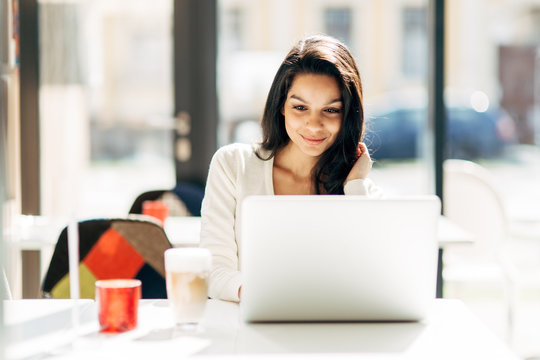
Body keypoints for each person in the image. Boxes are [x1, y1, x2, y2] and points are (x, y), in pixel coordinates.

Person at [200, 34, 381, 302]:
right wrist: (268, 296)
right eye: (300, 107)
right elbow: (214, 271)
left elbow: (375, 277)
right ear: (281, 106)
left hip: (333, 329)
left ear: (348, 115)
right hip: (251, 327)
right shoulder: (232, 165)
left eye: (330, 110)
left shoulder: (361, 191)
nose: (313, 125)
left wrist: (355, 186)